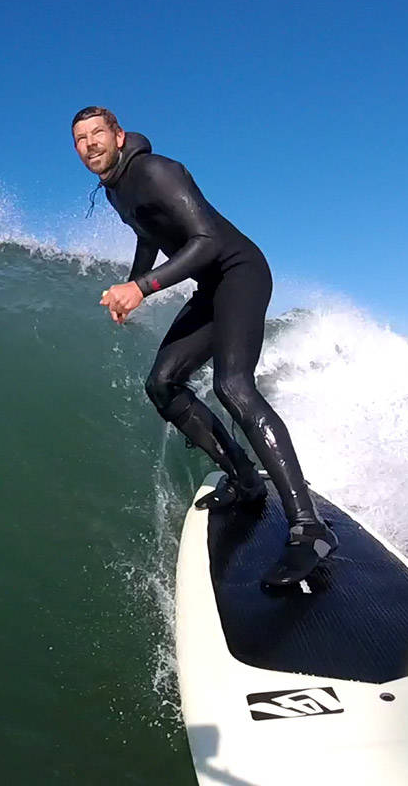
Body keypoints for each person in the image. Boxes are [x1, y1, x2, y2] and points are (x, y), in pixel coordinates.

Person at [71, 106, 337, 587]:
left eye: (97, 134)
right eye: (80, 139)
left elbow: (209, 241)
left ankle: (309, 527)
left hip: (240, 272)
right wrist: (133, 286)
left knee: (233, 385)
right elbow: (147, 235)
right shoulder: (114, 189)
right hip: (211, 289)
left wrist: (144, 288)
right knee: (163, 384)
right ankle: (245, 480)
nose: (90, 144)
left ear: (118, 135)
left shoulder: (155, 170)